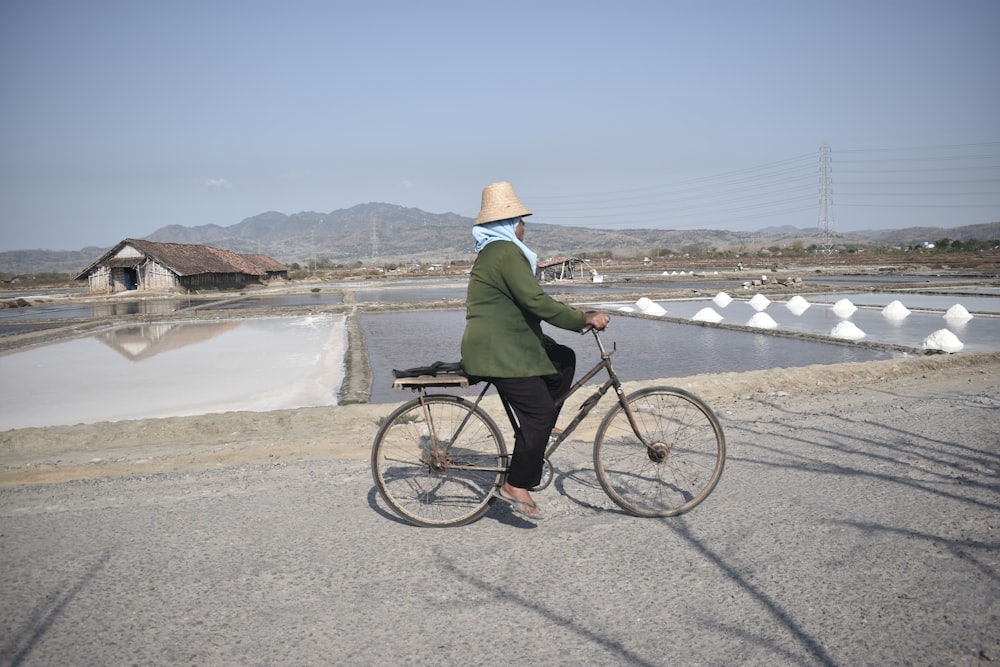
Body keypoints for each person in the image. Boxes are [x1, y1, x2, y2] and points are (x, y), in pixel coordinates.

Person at [460, 181, 610, 520]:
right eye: (521, 221)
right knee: (540, 411)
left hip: (507, 341)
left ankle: (538, 430)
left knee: (563, 359)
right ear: (509, 224)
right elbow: (536, 300)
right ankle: (516, 484)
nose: (525, 227)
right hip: (498, 351)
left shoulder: (498, 252)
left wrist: (578, 315)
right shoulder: (505, 252)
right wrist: (581, 319)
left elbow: (532, 301)